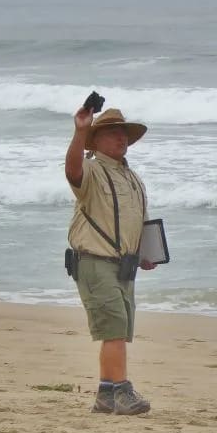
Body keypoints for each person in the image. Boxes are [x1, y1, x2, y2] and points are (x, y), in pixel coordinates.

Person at [65, 106, 156, 415]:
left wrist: (146, 253)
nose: (121, 138)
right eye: (114, 133)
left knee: (118, 329)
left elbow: (139, 221)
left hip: (125, 265)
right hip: (94, 260)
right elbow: (72, 170)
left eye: (124, 134)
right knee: (114, 327)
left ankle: (106, 393)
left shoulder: (133, 178)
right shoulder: (90, 170)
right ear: (96, 140)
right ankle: (122, 391)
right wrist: (80, 131)